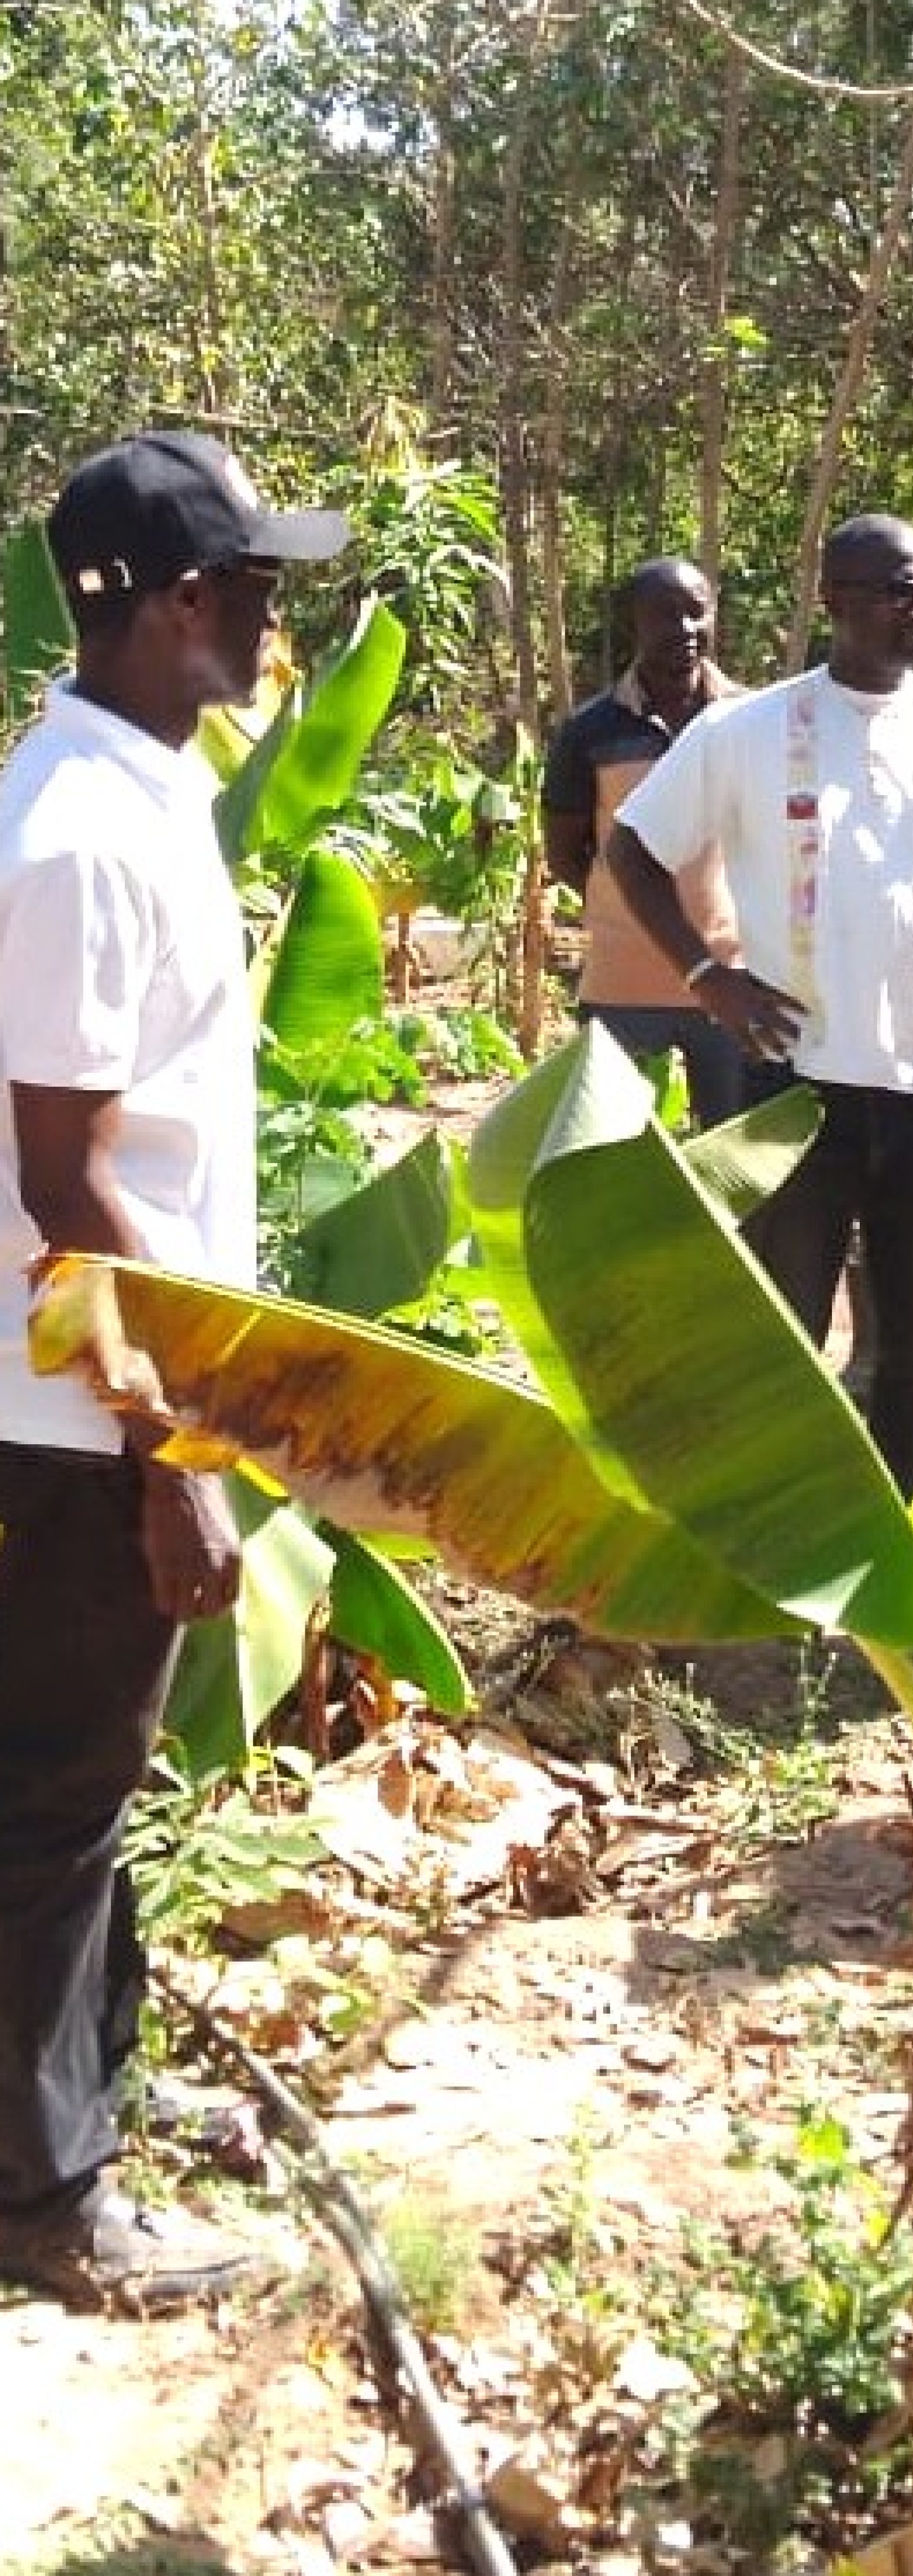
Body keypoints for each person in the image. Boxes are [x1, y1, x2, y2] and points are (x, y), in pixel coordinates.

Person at [0, 430, 347, 2308]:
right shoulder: (72, 832)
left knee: (72, 1790)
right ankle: (53, 2210)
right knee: (56, 1798)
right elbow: (66, 1182)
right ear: (182, 606)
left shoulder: (131, 796)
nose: (278, 617)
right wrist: (171, 1452)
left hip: (91, 1396)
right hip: (72, 1412)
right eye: (259, 586)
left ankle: (76, 2118)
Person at [607, 512, 913, 1494]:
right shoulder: (748, 730)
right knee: (784, 1334)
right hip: (801, 1091)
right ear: (838, 604)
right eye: (903, 591)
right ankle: (772, 1543)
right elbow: (632, 848)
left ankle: (896, 1563)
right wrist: (706, 976)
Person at [542, 558, 746, 1126]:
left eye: (695, 612)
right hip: (621, 981)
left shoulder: (750, 721)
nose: (683, 628)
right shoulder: (592, 731)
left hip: (730, 979)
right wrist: (622, 905)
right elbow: (565, 850)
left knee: (733, 1154)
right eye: (663, 614)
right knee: (611, 1153)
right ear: (633, 623)